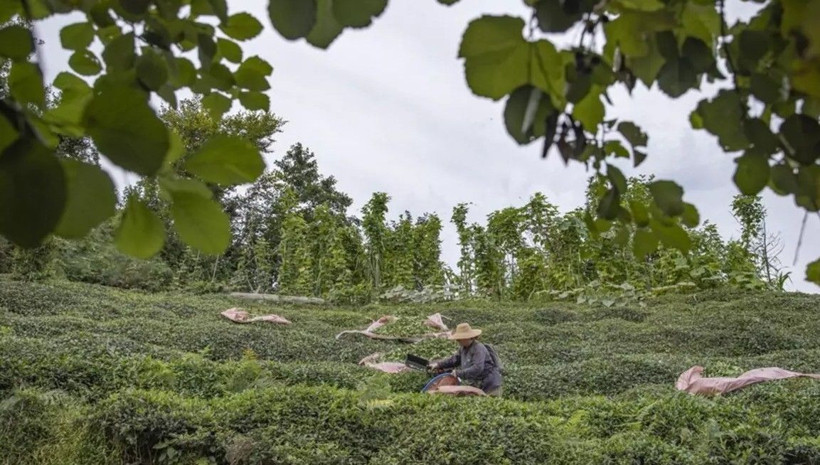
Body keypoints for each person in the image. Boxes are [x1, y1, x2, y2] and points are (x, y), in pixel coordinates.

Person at [428, 322, 503, 396]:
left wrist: (458, 373)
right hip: (478, 383)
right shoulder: (463, 349)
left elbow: (477, 368)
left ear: (467, 337)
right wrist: (438, 364)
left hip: (490, 384)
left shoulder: (478, 349)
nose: (458, 341)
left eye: (459, 339)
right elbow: (454, 360)